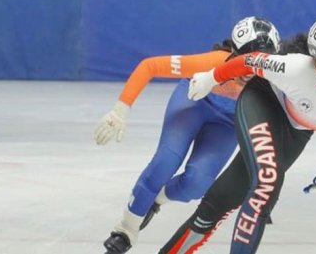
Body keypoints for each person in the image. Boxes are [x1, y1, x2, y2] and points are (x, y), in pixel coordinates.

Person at [158, 13, 316, 254]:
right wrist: (210, 78)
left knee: (221, 201)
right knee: (267, 181)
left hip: (296, 131)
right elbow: (248, 61)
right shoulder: (294, 68)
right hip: (263, 101)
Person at [95, 17, 281, 254]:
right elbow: (150, 66)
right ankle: (125, 230)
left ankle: (156, 199)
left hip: (227, 121)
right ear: (232, 51)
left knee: (197, 184)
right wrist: (121, 108)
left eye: (254, 63)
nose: (246, 71)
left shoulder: (274, 77)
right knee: (165, 162)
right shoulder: (213, 61)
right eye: (242, 60)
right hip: (193, 102)